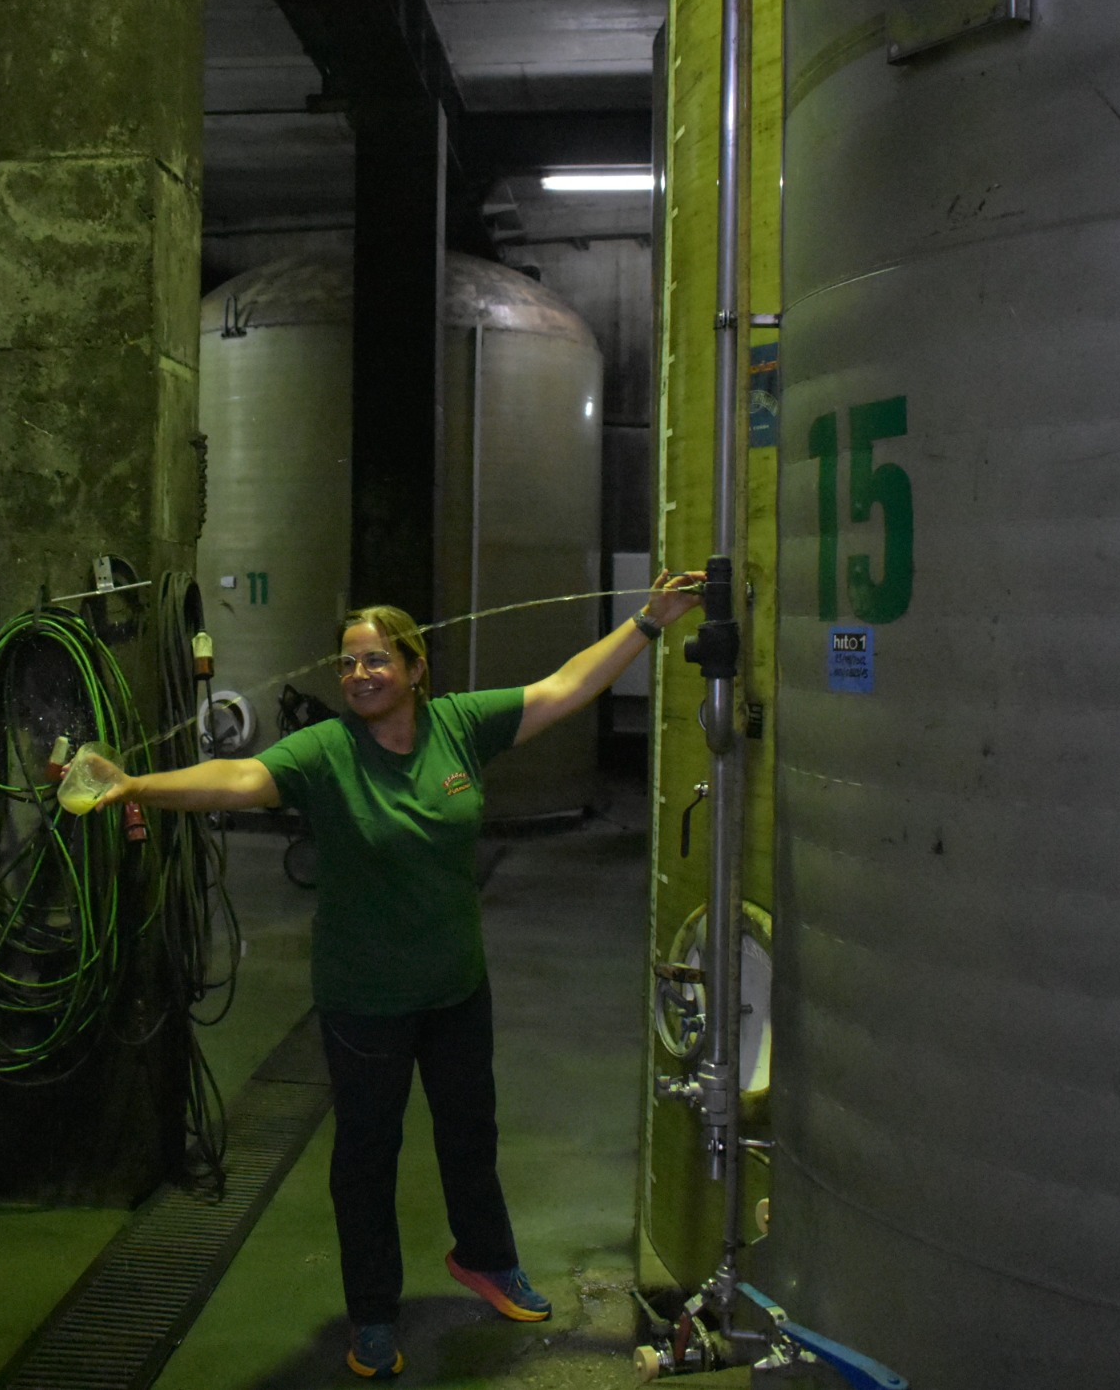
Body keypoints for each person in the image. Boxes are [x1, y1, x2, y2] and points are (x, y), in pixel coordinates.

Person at [92, 573, 703, 1380]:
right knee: (367, 1158)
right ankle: (374, 1314)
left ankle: (485, 1257)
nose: (359, 676)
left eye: (377, 660)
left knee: (469, 1134)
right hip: (365, 1000)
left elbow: (564, 688)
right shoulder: (325, 753)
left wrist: (648, 626)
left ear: (416, 670)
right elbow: (238, 780)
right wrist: (135, 785)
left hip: (455, 987)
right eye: (348, 666)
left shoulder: (460, 728)